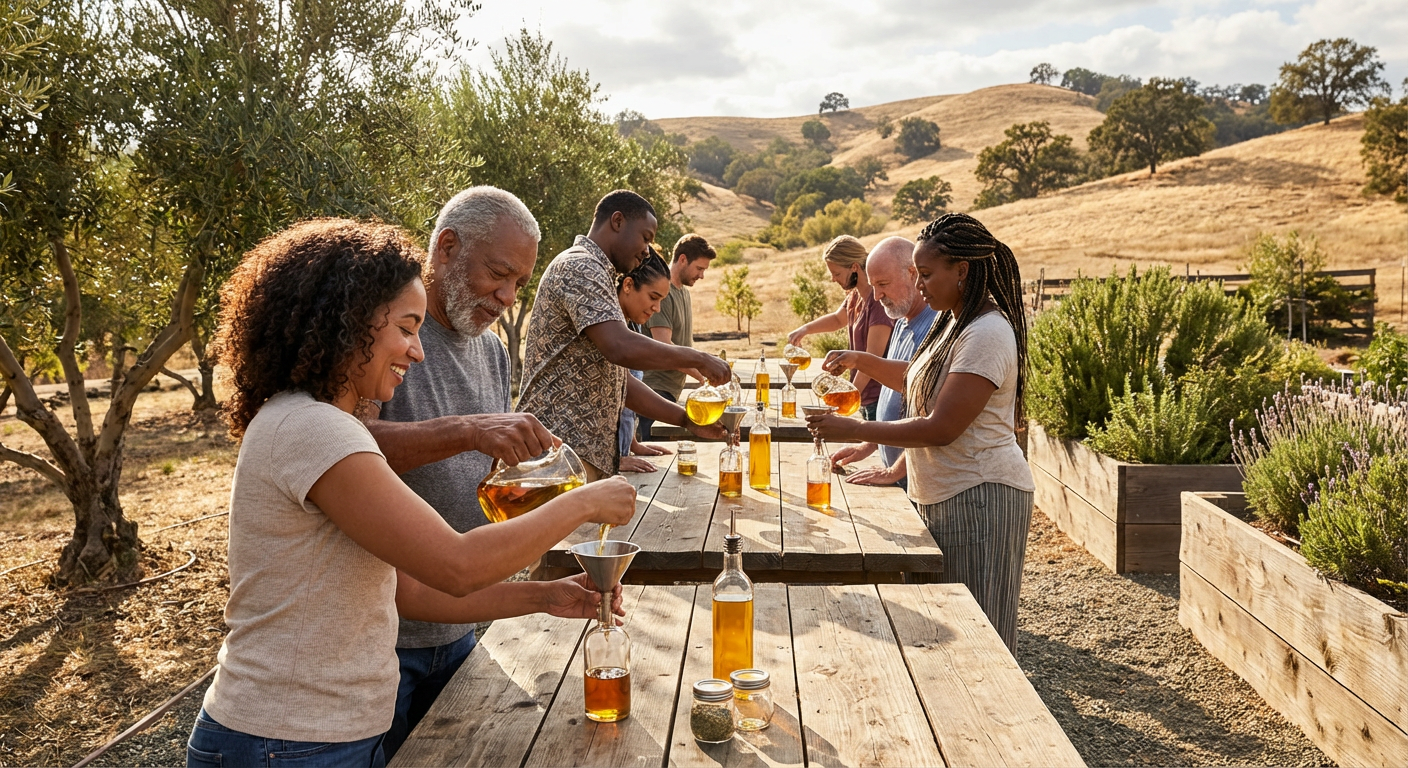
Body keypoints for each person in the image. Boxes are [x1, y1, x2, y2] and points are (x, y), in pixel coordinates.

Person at [188, 219, 637, 768]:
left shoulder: (314, 424)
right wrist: (587, 500)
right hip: (290, 743)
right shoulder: (314, 431)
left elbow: (412, 594)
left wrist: (547, 598)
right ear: (348, 323)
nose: (418, 352)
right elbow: (457, 565)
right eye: (406, 328)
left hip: (312, 739)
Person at [357, 187, 564, 759]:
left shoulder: (492, 350)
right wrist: (470, 430)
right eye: (499, 273)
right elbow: (346, 444)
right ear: (446, 248)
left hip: (459, 621)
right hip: (385, 636)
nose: (507, 296)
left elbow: (484, 473)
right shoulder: (386, 337)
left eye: (520, 282)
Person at [805, 213, 1033, 652]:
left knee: (979, 637)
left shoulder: (987, 333)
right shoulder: (956, 321)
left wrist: (854, 426)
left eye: (926, 274)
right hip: (947, 493)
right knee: (947, 631)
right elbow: (920, 378)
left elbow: (942, 426)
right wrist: (863, 361)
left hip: (981, 496)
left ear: (962, 270)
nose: (920, 285)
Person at [516, 190, 729, 479]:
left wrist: (686, 420)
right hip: (554, 455)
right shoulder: (580, 266)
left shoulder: (600, 274)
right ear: (617, 221)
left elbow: (622, 384)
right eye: (645, 238)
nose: (646, 250)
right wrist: (699, 358)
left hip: (575, 458)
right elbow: (620, 347)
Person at [825, 237, 938, 491]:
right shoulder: (900, 321)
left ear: (912, 274)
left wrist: (892, 472)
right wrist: (868, 445)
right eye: (873, 285)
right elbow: (896, 398)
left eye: (883, 284)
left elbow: (933, 423)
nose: (877, 295)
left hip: (920, 482)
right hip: (902, 476)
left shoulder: (935, 328)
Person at [786, 235, 895, 420]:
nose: (833, 279)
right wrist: (804, 329)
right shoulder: (855, 296)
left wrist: (849, 397)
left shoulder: (877, 303)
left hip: (880, 399)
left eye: (836, 273)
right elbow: (838, 319)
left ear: (854, 267)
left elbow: (872, 358)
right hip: (865, 399)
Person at [636, 233, 716, 440]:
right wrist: (702, 373)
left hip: (670, 391)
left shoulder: (683, 292)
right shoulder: (664, 294)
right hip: (654, 391)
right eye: (699, 268)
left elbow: (682, 343)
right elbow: (664, 345)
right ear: (682, 259)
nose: (702, 275)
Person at [615, 250, 674, 473]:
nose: (656, 308)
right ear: (628, 285)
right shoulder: (607, 332)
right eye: (653, 297)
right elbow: (623, 388)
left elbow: (624, 403)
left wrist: (633, 445)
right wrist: (615, 459)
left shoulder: (633, 324)